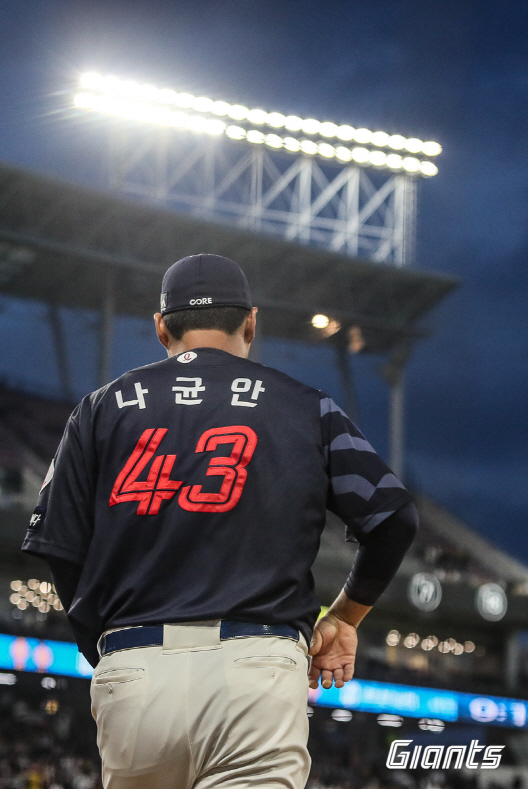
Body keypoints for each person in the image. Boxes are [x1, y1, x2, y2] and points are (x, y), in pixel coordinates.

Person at [22, 253, 418, 789]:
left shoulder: (100, 408)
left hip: (134, 667)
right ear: (251, 322)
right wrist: (344, 618)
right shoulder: (307, 407)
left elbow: (59, 546)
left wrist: (105, 648)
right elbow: (392, 518)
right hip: (255, 669)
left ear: (161, 327)